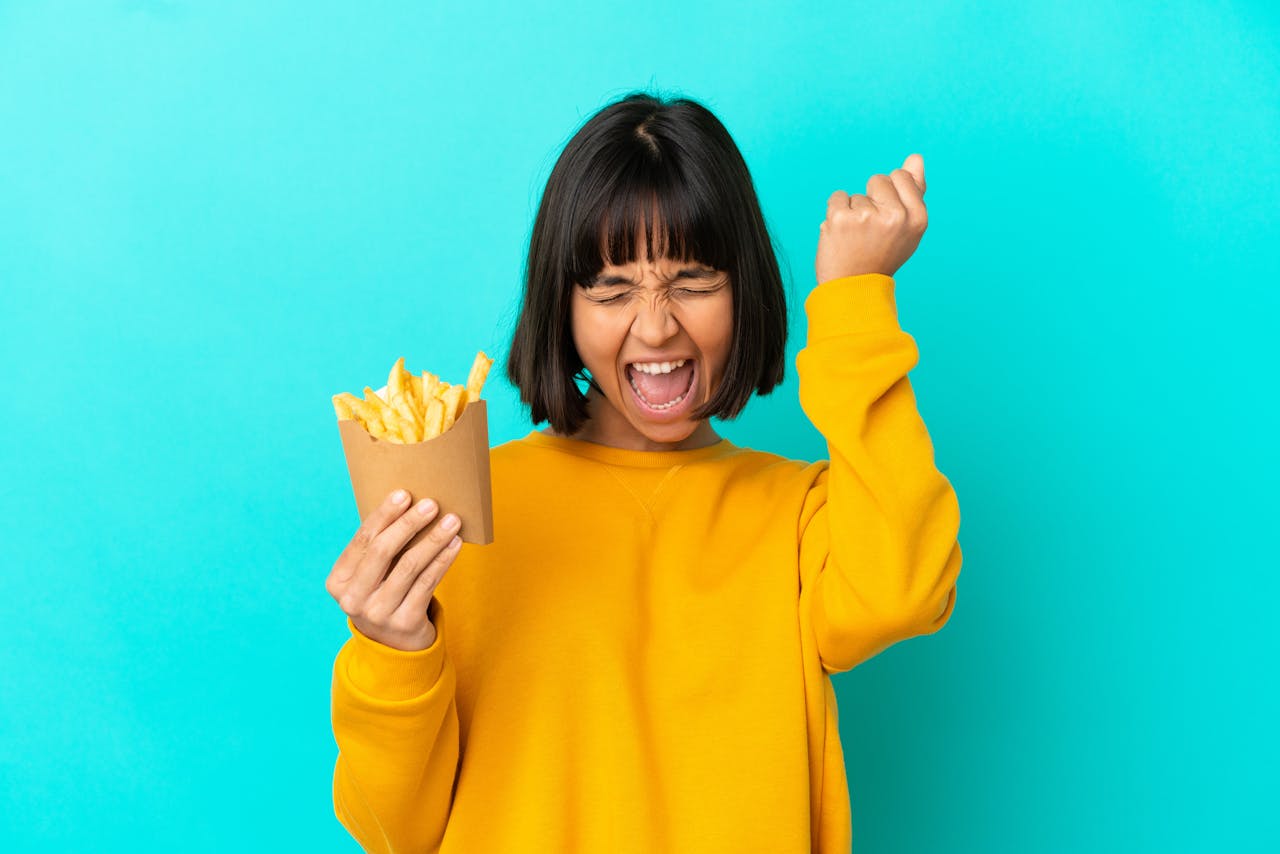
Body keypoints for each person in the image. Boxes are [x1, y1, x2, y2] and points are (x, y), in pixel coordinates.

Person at [325, 91, 962, 853]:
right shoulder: (467, 507)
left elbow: (903, 592)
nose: (656, 326)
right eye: (612, 288)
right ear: (560, 307)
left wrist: (855, 301)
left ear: (745, 289)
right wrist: (390, 649)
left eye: (692, 281)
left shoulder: (800, 516)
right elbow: (393, 830)